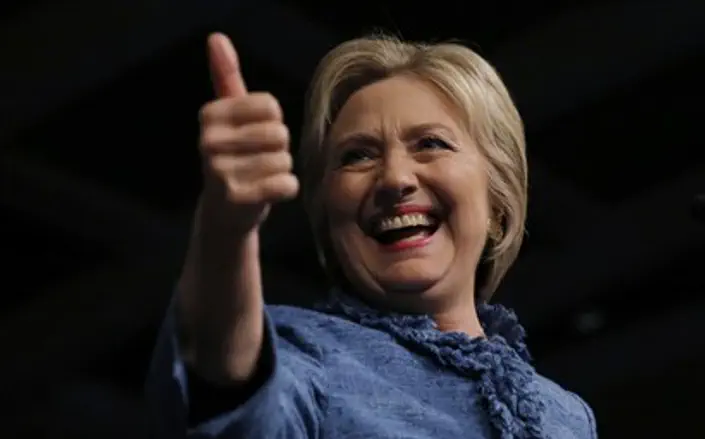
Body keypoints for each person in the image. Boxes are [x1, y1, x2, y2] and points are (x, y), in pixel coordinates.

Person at [145, 32, 597, 439]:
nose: (394, 178)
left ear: (498, 202)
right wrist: (226, 227)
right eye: (357, 156)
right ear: (327, 215)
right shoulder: (299, 356)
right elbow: (227, 393)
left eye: (430, 144)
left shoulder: (569, 418)